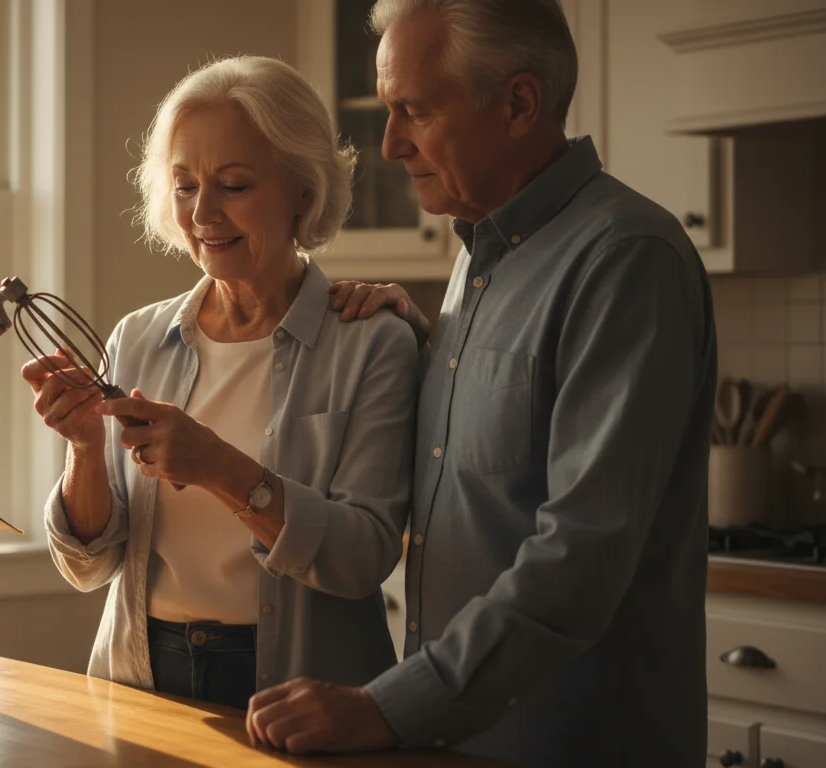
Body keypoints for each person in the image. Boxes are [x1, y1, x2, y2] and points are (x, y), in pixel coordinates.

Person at [246, 1, 716, 765]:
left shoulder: (628, 260)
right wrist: (420, 348)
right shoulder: (477, 254)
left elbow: (580, 554)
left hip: (579, 743)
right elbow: (504, 444)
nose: (391, 143)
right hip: (461, 742)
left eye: (415, 110)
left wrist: (383, 705)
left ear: (520, 103)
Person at [24, 55, 418, 710]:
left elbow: (361, 558)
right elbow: (90, 565)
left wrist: (221, 468)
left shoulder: (374, 343)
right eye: (184, 186)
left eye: (233, 185)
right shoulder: (138, 337)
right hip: (140, 678)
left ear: (302, 189)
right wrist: (86, 450)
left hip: (303, 695)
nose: (203, 211)